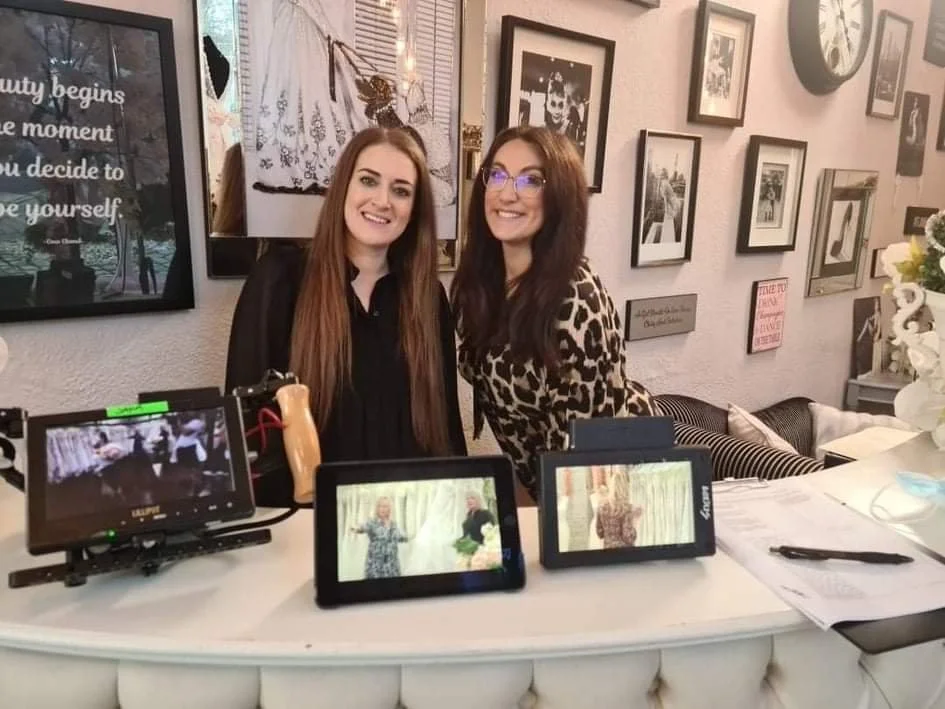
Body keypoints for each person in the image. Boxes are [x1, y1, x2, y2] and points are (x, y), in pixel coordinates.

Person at [225, 127, 467, 506]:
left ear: (414, 209)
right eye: (368, 181)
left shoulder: (428, 299)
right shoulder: (279, 281)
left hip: (408, 523)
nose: (382, 201)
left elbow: (446, 433)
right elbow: (245, 435)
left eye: (401, 190)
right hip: (304, 531)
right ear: (344, 188)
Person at [450, 125, 653, 500]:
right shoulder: (476, 285)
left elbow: (588, 465)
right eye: (496, 174)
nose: (507, 193)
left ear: (559, 197)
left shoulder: (577, 302)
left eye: (531, 180)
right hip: (543, 490)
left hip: (614, 493)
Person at [350, 496, 407, 579]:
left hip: (392, 567)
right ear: (377, 508)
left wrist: (414, 537)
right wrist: (356, 528)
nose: (382, 509)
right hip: (376, 567)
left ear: (390, 509)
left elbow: (400, 537)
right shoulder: (372, 523)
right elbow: (362, 528)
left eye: (385, 506)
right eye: (380, 506)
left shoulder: (394, 525)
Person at [596, 468, 643, 549]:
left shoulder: (601, 507)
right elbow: (628, 538)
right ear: (624, 488)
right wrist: (635, 520)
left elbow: (600, 533)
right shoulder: (627, 508)